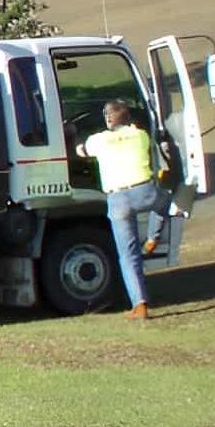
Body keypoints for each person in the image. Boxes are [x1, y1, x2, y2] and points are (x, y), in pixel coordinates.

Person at [75, 100, 160, 320]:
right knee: (169, 201)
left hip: (119, 199)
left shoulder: (99, 140)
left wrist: (72, 136)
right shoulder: (141, 136)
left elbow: (81, 151)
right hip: (145, 191)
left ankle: (140, 305)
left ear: (108, 118)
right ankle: (153, 236)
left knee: (128, 255)